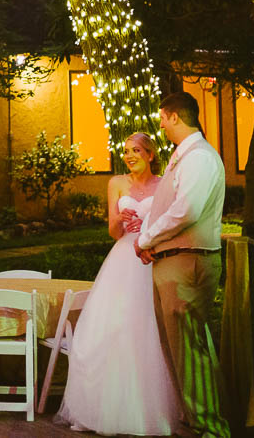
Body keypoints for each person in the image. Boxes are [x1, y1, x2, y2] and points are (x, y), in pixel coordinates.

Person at [56, 132, 180, 434]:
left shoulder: (164, 184)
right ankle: (98, 411)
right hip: (123, 256)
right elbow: (112, 231)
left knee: (146, 329)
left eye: (136, 150)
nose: (129, 155)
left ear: (150, 155)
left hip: (150, 258)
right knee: (109, 328)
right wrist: (120, 219)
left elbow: (170, 223)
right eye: (126, 151)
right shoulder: (116, 184)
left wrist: (150, 233)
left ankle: (146, 412)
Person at [134, 91, 231, 438]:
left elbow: (186, 210)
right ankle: (194, 423)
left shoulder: (200, 158)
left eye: (162, 117)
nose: (160, 124)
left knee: (190, 350)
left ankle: (212, 430)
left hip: (187, 263)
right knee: (177, 350)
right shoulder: (183, 156)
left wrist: (147, 240)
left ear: (175, 116)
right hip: (171, 261)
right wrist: (152, 243)